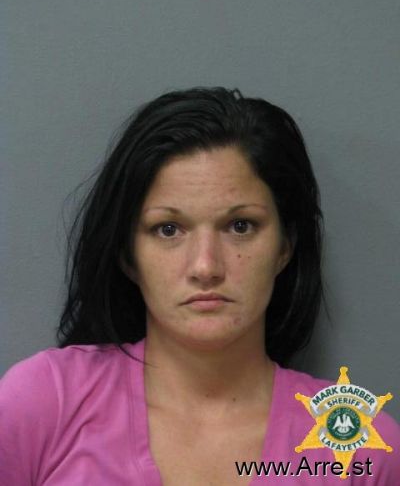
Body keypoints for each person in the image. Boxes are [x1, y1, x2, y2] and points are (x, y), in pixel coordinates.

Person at [0, 87, 398, 485]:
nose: (205, 266)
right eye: (168, 229)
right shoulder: (43, 404)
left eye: (240, 226)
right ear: (127, 255)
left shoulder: (360, 446)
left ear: (284, 246)